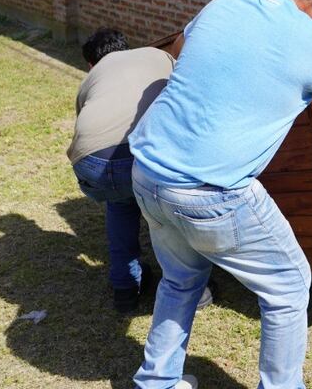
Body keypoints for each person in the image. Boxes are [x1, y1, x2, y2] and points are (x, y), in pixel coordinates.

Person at [128, 0, 312, 389]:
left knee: (180, 281)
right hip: (213, 193)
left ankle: (157, 381)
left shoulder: (223, 4)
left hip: (148, 170)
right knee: (289, 287)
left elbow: (180, 50)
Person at [69, 28, 212, 313]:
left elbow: (84, 120)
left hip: (92, 163)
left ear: (91, 64)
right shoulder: (158, 56)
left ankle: (125, 287)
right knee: (169, 207)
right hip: (145, 153)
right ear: (128, 48)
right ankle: (195, 290)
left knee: (121, 204)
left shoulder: (92, 78)